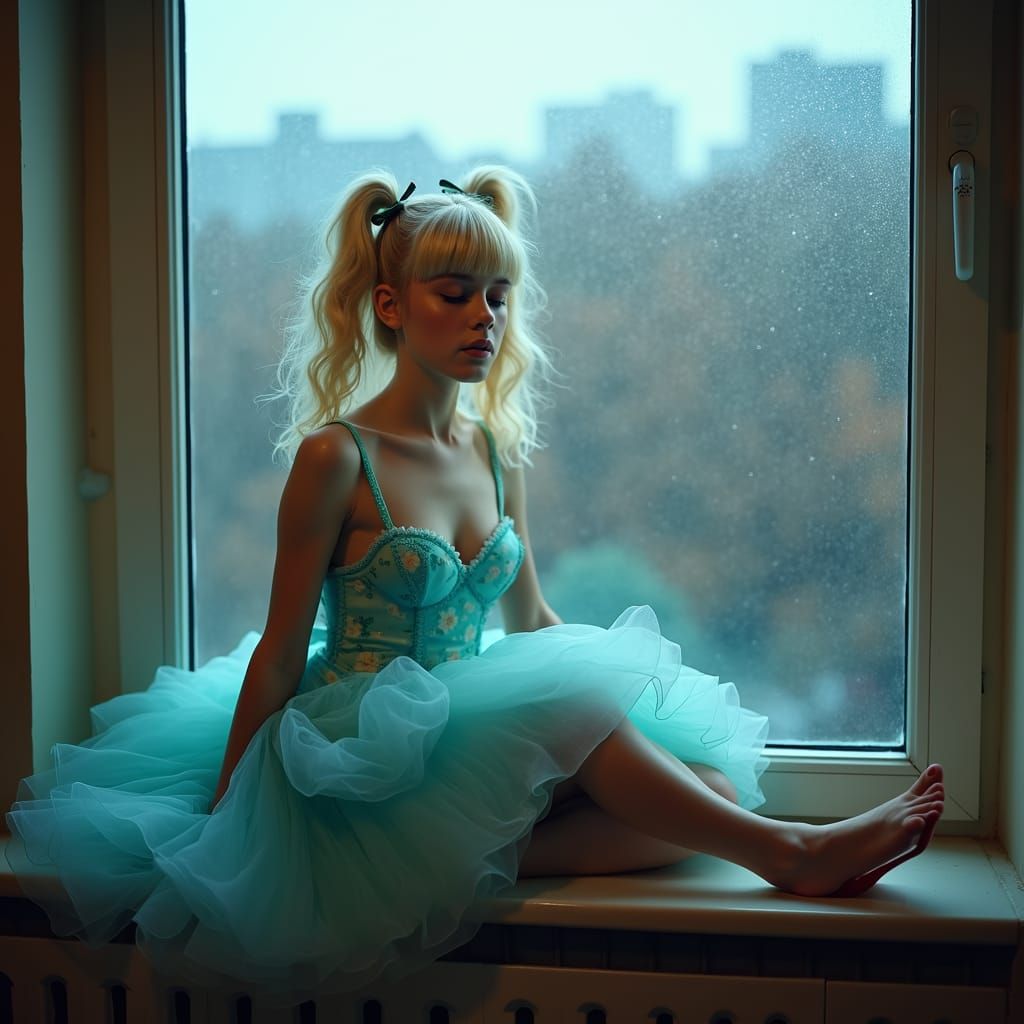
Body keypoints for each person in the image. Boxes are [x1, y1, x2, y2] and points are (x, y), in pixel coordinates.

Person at [5, 167, 944, 1002]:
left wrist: (630, 694)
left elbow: (530, 619)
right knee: (592, 729)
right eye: (454, 295)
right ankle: (798, 855)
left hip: (458, 742)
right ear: (389, 304)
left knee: (701, 790)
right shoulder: (338, 456)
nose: (483, 319)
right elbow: (283, 650)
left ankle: (457, 861)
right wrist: (232, 821)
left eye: (498, 298)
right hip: (362, 746)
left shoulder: (493, 448)